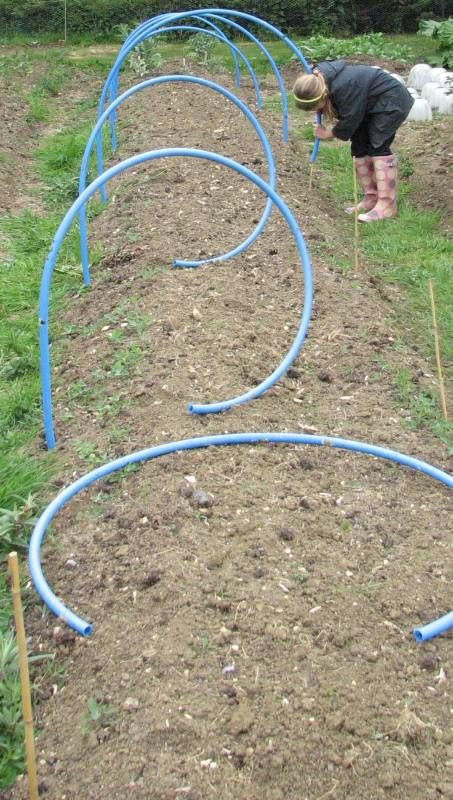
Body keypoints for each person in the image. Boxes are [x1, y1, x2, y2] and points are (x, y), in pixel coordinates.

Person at [293, 60, 414, 222]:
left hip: (391, 100)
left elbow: (350, 120)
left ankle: (387, 205)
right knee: (359, 146)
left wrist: (327, 133)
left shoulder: (343, 88)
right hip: (369, 104)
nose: (316, 110)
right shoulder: (319, 79)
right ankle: (371, 198)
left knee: (378, 145)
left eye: (316, 106)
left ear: (323, 94)